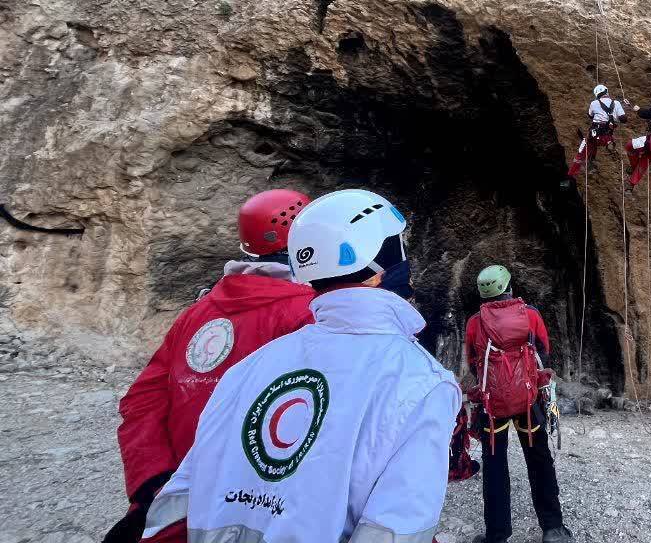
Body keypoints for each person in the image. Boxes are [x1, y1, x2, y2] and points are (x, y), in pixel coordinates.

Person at [143, 190, 461, 543]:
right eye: (399, 253)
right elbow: (395, 530)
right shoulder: (423, 383)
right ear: (374, 274)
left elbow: (181, 497)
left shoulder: (250, 366)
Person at [106, 189, 316, 543]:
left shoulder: (200, 310)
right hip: (259, 511)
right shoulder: (313, 314)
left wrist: (152, 482)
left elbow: (142, 399)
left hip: (176, 507)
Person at [465, 264, 571, 543]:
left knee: (495, 464)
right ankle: (553, 528)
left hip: (492, 406)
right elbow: (544, 354)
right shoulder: (531, 315)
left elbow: (473, 364)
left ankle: (497, 535)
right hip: (529, 401)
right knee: (539, 460)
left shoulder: (475, 322)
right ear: (509, 287)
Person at [566, 83, 628, 181]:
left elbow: (590, 116)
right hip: (607, 136)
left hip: (594, 135)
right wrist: (623, 109)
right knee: (597, 142)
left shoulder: (594, 103)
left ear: (597, 95)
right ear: (606, 91)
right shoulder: (616, 103)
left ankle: (572, 174)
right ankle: (607, 145)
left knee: (581, 153)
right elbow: (624, 119)